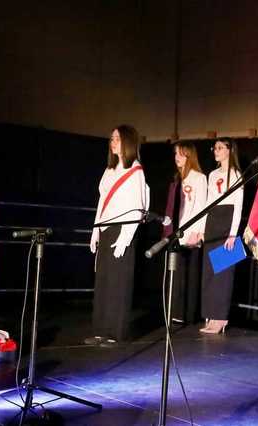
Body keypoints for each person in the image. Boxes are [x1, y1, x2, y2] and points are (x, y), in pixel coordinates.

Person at [85, 124, 148, 345]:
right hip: (106, 229)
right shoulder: (109, 170)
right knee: (103, 281)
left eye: (117, 139)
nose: (113, 143)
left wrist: (125, 238)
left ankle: (115, 332)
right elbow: (102, 201)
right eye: (111, 139)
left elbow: (138, 207)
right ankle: (100, 329)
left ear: (128, 142)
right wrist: (95, 229)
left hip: (123, 230)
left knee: (118, 283)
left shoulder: (136, 170)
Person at [199, 138, 243, 334]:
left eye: (219, 148)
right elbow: (208, 202)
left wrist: (233, 233)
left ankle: (221, 318)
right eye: (214, 147)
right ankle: (210, 314)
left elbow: (238, 206)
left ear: (229, 150)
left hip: (227, 221)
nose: (215, 151)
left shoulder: (236, 174)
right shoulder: (212, 174)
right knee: (209, 270)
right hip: (213, 221)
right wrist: (201, 227)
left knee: (223, 272)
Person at [162, 141, 207, 324]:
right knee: (175, 273)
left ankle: (186, 314)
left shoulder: (199, 178)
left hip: (190, 233)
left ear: (189, 156)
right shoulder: (176, 179)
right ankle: (173, 311)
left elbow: (201, 206)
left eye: (181, 154)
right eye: (175, 154)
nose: (177, 158)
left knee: (189, 274)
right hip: (174, 233)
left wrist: (197, 231)